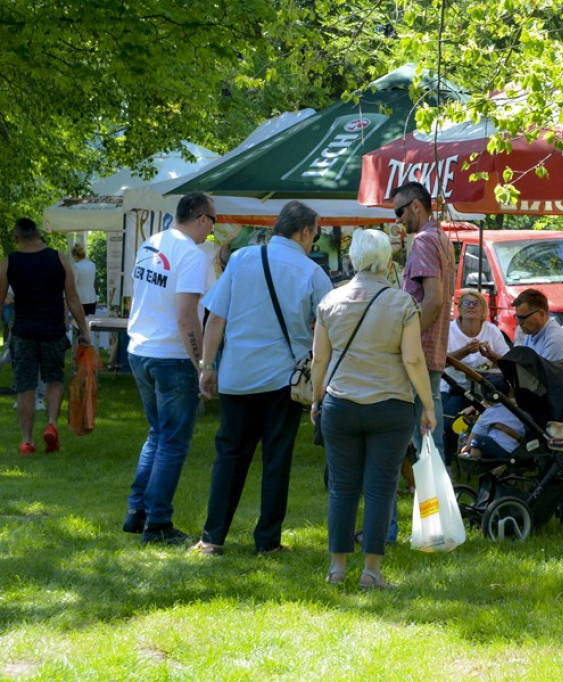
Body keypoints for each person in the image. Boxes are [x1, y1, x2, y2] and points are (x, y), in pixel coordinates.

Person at [191, 201, 332, 557]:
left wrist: (207, 366)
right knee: (276, 458)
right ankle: (267, 541)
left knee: (230, 455)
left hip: (238, 375)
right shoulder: (311, 272)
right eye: (314, 235)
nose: (313, 242)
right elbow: (332, 326)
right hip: (284, 380)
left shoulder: (240, 260)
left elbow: (215, 319)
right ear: (303, 232)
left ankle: (212, 537)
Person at [311, 228, 436, 589]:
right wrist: (427, 404)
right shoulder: (401, 304)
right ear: (387, 261)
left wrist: (318, 400)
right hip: (391, 406)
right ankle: (372, 571)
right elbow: (413, 359)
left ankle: (336, 568)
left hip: (341, 404)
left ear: (353, 259)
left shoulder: (330, 301)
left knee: (342, 488)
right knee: (381, 488)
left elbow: (320, 359)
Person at [121, 193, 216, 545]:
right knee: (173, 440)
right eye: (213, 222)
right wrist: (203, 364)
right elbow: (186, 315)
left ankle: (137, 512)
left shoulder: (152, 242)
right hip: (171, 356)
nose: (212, 231)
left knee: (157, 433)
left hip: (140, 349)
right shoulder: (190, 255)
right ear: (202, 218)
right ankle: (157, 523)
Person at [0, 218, 92, 454]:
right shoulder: (58, 258)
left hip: (23, 332)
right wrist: (84, 330)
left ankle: (27, 440)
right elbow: (72, 298)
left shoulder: (9, 262)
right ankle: (51, 424)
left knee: (25, 386)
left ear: (17, 238)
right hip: (53, 331)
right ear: (39, 235)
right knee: (54, 379)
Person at [392, 180, 455, 456]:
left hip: (421, 349)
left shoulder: (423, 241)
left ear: (416, 206)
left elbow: (433, 299)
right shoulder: (441, 238)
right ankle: (435, 496)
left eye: (400, 212)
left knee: (425, 441)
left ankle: (434, 497)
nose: (398, 220)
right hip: (434, 347)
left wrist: (409, 340)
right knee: (429, 433)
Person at [442, 289, 510, 459]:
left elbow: (508, 361)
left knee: (497, 416)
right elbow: (440, 361)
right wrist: (464, 351)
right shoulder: (448, 330)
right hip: (454, 386)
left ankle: (485, 456)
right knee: (449, 421)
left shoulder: (491, 330)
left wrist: (492, 356)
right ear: (460, 309)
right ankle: (450, 462)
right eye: (466, 303)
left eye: (476, 303)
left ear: (483, 310)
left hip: (485, 389)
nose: (471, 307)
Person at [507, 288, 563, 362]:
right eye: (517, 317)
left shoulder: (555, 339)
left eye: (523, 318)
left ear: (541, 314)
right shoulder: (533, 333)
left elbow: (546, 373)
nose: (519, 322)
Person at [71, 244, 98, 316]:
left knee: (80, 322)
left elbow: (72, 283)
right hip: (92, 297)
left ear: (75, 256)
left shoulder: (76, 266)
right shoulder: (92, 265)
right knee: (90, 322)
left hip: (81, 298)